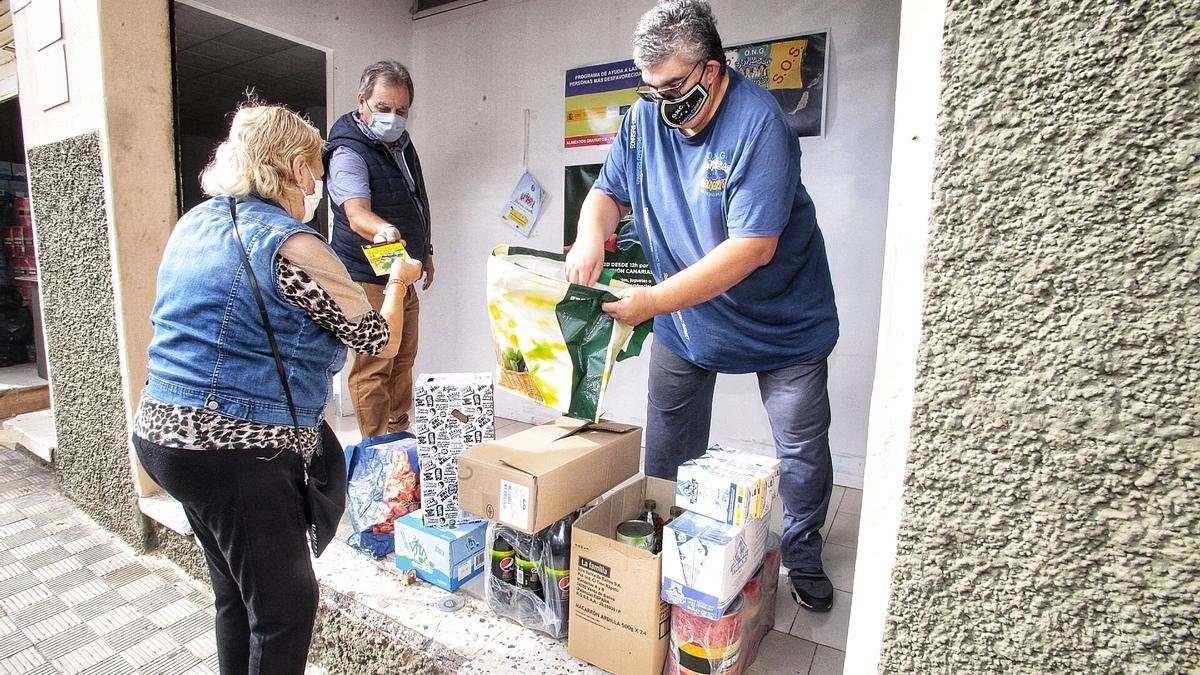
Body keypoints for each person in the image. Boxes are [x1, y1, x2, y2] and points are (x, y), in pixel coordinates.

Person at [565, 0, 840, 613]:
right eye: (650, 89)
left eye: (672, 87)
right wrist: (589, 234)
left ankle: (802, 550)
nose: (661, 102)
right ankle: (666, 544)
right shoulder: (644, 120)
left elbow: (752, 248)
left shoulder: (759, 124)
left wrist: (651, 302)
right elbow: (606, 192)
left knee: (799, 448)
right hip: (688, 321)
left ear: (712, 70)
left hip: (781, 322)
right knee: (668, 447)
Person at [132, 102, 422, 674]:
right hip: (235, 447)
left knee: (237, 593)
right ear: (292, 167)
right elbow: (378, 340)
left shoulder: (194, 223)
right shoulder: (292, 244)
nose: (317, 186)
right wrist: (396, 282)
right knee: (285, 609)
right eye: (315, 170)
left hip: (164, 436)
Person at [323, 60, 433, 438]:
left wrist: (426, 251)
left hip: (401, 269)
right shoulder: (348, 152)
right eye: (384, 107)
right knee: (374, 364)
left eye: (401, 110)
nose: (393, 117)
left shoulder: (401, 144)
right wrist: (383, 229)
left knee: (402, 358)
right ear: (362, 102)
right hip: (366, 275)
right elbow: (356, 214)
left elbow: (415, 199)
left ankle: (398, 434)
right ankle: (376, 445)